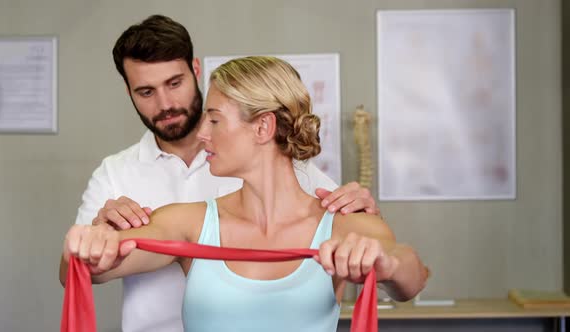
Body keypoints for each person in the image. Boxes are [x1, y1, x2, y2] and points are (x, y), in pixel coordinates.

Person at [61, 55, 428, 332]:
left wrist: (386, 264)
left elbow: (411, 276)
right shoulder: (188, 221)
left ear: (263, 127)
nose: (202, 133)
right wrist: (90, 243)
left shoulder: (342, 225)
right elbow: (86, 269)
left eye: (216, 119)